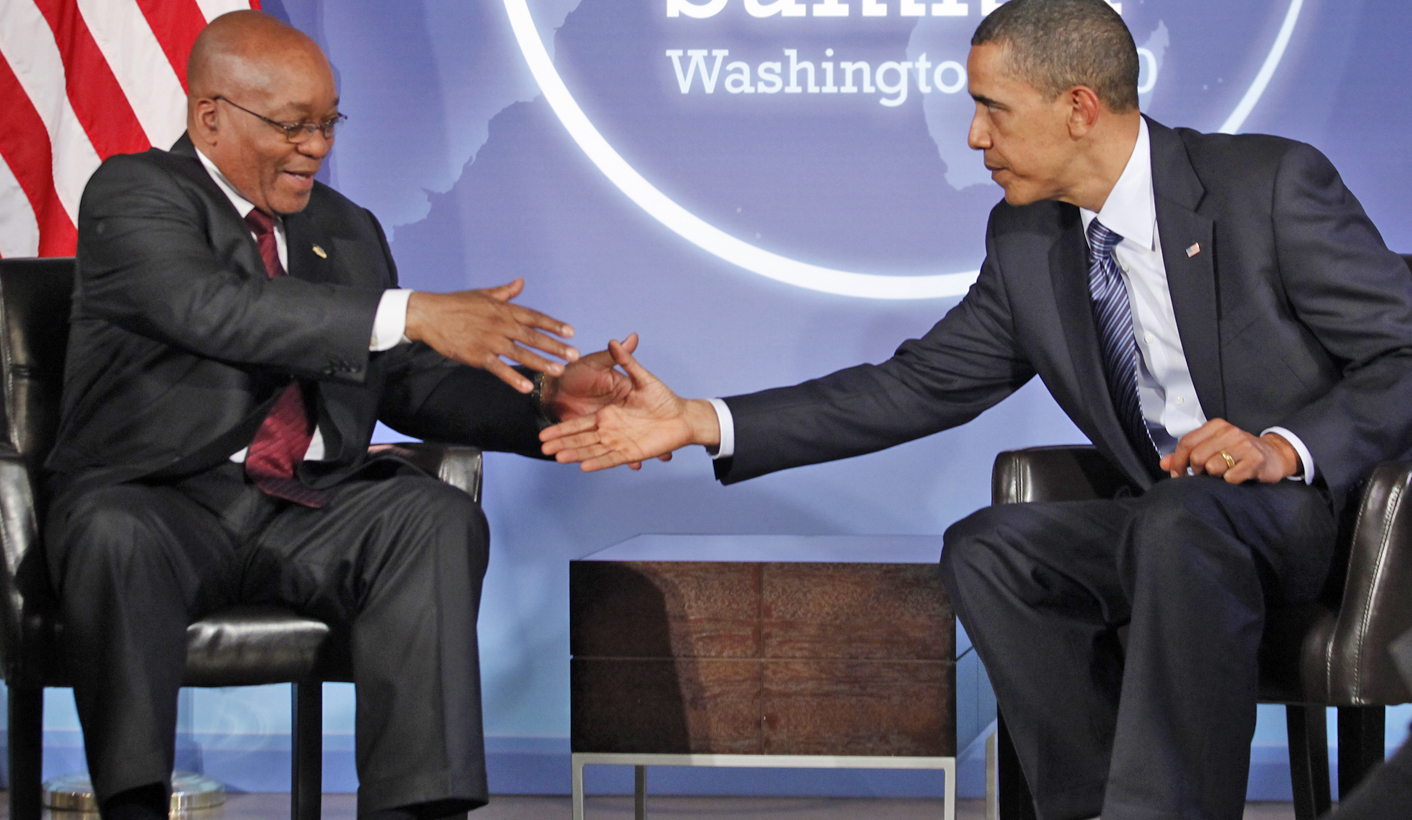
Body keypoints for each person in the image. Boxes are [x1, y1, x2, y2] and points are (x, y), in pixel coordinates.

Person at [539, 0, 1412, 817]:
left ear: (1078, 108)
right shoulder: (1027, 238)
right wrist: (701, 420)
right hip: (1168, 522)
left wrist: (1282, 445)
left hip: (1303, 516)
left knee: (1178, 523)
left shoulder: (1268, 185)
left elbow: (1403, 353)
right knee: (990, 549)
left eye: (993, 108)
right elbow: (918, 384)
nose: (973, 136)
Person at [44, 11, 637, 820]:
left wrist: (546, 399)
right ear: (210, 117)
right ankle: (135, 803)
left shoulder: (344, 226)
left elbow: (406, 383)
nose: (317, 147)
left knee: (431, 518)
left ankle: (414, 808)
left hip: (305, 507)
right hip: (158, 501)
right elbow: (215, 308)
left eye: (328, 123)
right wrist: (411, 310)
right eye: (293, 125)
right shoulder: (135, 193)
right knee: (114, 533)